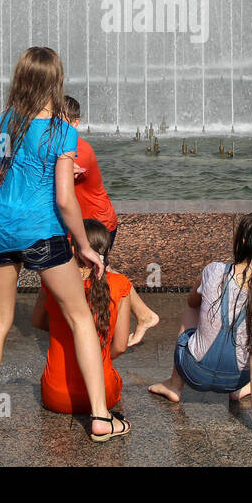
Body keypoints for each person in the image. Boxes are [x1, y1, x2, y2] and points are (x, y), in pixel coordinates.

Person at [0, 46, 130, 443]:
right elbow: (66, 199)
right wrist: (85, 246)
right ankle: (102, 418)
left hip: (2, 229)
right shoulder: (61, 130)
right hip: (42, 233)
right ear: (56, 81)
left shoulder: (4, 122)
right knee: (80, 318)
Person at [148, 213, 252, 435]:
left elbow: (191, 302)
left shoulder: (214, 271)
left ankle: (174, 384)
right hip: (234, 380)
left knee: (192, 309)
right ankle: (238, 391)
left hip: (192, 371)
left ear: (243, 241)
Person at [61, 94, 160, 346]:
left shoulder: (78, 150)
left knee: (96, 269)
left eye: (60, 122)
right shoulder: (64, 146)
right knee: (94, 268)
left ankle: (133, 317)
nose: (54, 128)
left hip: (97, 222)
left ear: (75, 122)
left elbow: (55, 176)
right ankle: (139, 315)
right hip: (82, 222)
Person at [31, 219, 131, 414]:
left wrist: (64, 330)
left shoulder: (53, 282)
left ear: (74, 250)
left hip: (55, 396)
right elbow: (119, 346)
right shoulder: (119, 283)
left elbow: (37, 320)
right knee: (114, 377)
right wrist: (96, 358)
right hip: (104, 394)